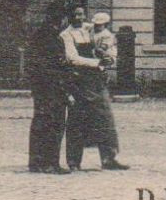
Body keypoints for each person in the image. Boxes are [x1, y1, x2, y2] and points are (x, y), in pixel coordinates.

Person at [63, 10, 127, 171]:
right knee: (77, 119)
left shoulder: (90, 28)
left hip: (97, 81)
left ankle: (109, 158)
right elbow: (73, 58)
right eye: (75, 14)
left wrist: (110, 56)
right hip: (79, 80)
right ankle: (73, 161)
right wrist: (97, 63)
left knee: (105, 118)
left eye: (81, 14)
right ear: (68, 16)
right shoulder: (66, 34)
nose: (79, 17)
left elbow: (108, 40)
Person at [26, 13, 70, 174]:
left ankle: (36, 162)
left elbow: (33, 64)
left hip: (41, 87)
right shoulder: (53, 37)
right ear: (61, 19)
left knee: (40, 121)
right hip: (53, 87)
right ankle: (52, 163)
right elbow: (55, 64)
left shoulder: (39, 34)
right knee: (55, 123)